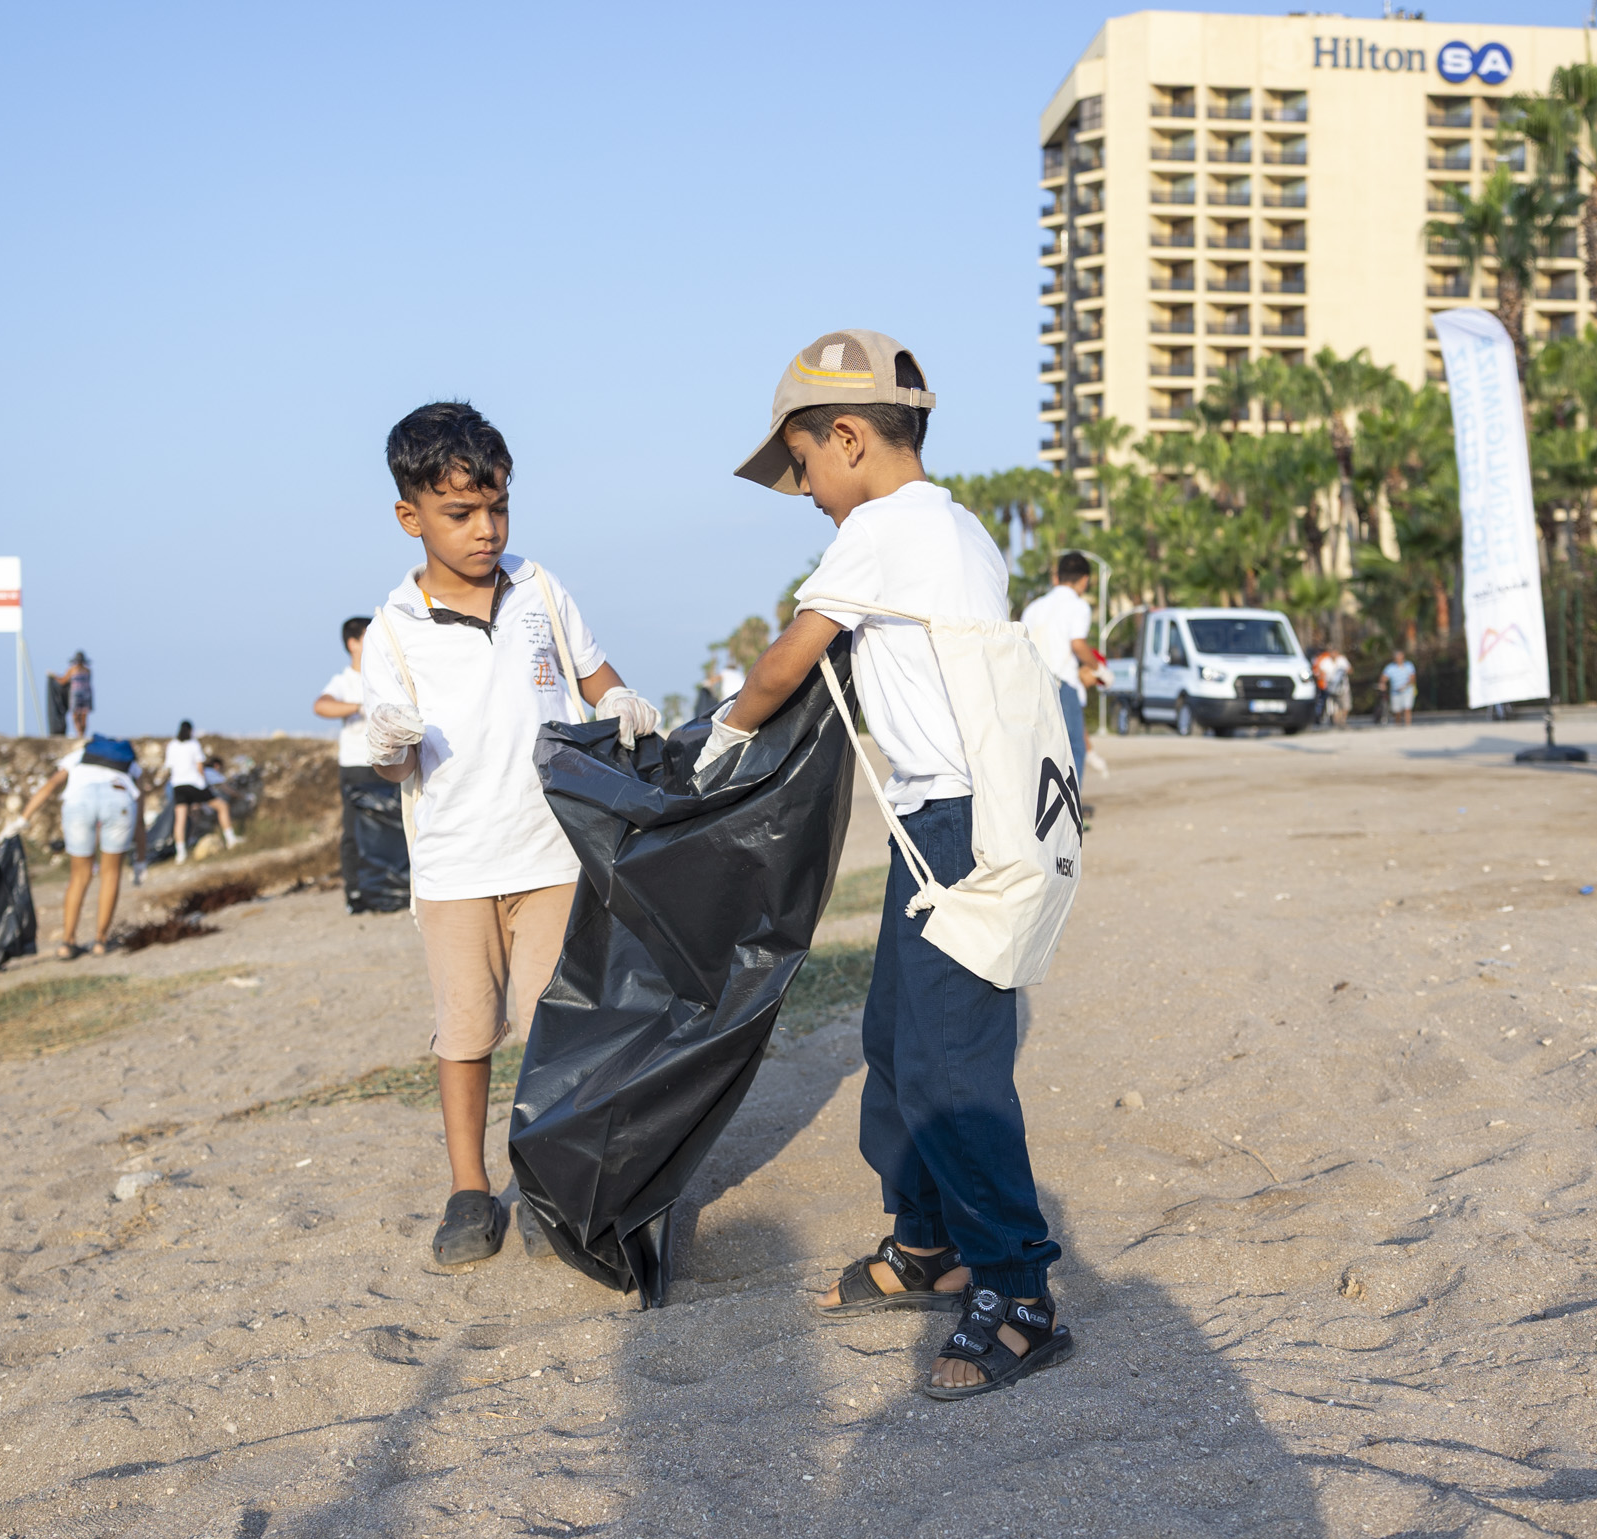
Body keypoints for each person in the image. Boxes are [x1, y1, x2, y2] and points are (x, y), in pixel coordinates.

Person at [709, 328, 1068, 1401]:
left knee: (954, 1072)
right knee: (896, 1044)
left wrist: (719, 740)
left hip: (959, 829)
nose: (809, 493)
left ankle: (1017, 1288)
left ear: (849, 439)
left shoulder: (881, 529)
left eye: (806, 470)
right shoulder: (957, 528)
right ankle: (925, 1242)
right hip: (952, 826)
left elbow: (786, 659)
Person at [360, 401, 659, 1269]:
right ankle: (466, 1186)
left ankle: (547, 1182)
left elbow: (599, 678)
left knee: (558, 1030)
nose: (484, 529)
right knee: (465, 1030)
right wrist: (388, 743)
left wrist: (618, 702)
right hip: (455, 867)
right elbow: (389, 755)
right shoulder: (392, 628)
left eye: (497, 507)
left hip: (552, 851)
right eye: (460, 513)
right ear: (410, 517)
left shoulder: (540, 590)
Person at [12, 733, 143, 957]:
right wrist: (141, 858)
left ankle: (67, 943)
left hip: (79, 801)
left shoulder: (79, 756)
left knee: (79, 876)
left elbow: (51, 785)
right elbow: (139, 816)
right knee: (110, 874)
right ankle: (100, 941)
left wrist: (22, 819)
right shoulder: (130, 765)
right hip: (119, 799)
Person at [315, 616, 408, 911]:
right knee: (354, 831)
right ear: (353, 643)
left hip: (393, 761)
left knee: (402, 824)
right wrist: (358, 707)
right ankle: (356, 893)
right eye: (370, 635)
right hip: (357, 765)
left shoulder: (388, 675)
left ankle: (402, 888)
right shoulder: (343, 681)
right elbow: (322, 705)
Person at [1020, 552, 1109, 778]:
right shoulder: (1078, 606)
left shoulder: (1034, 607)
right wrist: (1100, 669)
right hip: (1062, 686)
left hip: (1032, 685)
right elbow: (1078, 644)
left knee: (1041, 752)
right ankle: (1071, 810)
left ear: (1058, 577)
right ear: (1085, 580)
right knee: (1073, 749)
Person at [161, 721, 238, 863]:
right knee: (222, 806)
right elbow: (199, 767)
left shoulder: (172, 746)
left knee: (180, 819)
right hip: (195, 783)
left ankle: (181, 853)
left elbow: (169, 768)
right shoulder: (193, 745)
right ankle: (231, 838)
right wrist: (205, 785)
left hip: (178, 785)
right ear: (190, 731)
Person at [49, 652, 94, 738]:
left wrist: (53, 676)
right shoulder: (88, 671)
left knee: (76, 715)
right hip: (86, 694)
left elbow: (63, 681)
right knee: (83, 715)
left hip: (76, 695)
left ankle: (79, 733)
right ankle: (81, 734)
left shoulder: (72, 670)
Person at [1315, 643, 1353, 728]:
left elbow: (1350, 670)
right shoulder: (1325, 661)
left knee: (1345, 705)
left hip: (1343, 688)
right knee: (1333, 706)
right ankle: (1336, 722)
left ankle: (1342, 721)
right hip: (1331, 688)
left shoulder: (1342, 660)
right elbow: (1320, 672)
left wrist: (1344, 671)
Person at [1380, 648, 1416, 726]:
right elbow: (1383, 678)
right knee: (1397, 711)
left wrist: (1404, 686)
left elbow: (1412, 679)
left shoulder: (1409, 665)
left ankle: (1408, 725)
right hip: (1395, 691)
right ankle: (1398, 725)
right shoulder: (1390, 667)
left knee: (1407, 708)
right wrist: (1383, 684)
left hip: (1407, 690)